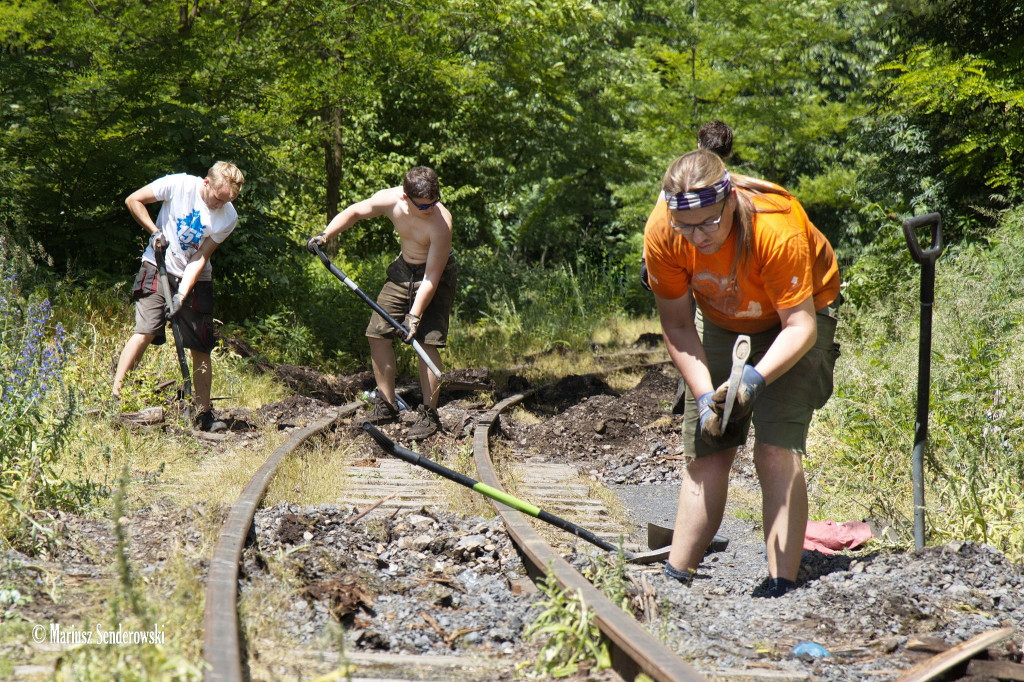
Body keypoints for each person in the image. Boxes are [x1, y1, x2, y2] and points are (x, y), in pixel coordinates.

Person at [644, 149, 840, 597]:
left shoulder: (777, 226)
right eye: (686, 226)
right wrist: (702, 396)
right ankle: (676, 579)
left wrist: (752, 381)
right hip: (722, 317)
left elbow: (801, 326)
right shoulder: (664, 231)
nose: (697, 236)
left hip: (799, 317)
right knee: (708, 445)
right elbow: (676, 324)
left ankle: (780, 585)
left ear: (730, 201)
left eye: (709, 222)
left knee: (775, 448)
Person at [306, 166, 456, 440]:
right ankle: (386, 404)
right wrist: (326, 235)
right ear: (405, 197)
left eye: (434, 203)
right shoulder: (390, 200)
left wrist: (413, 317)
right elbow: (354, 212)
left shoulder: (441, 223)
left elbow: (431, 280)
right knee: (377, 333)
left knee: (426, 341)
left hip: (435, 274)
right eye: (423, 206)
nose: (430, 209)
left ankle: (428, 414)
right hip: (402, 271)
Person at [113, 161, 245, 432]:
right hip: (156, 264)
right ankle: (116, 398)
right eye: (218, 198)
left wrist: (182, 292)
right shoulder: (180, 184)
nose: (221, 205)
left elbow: (201, 256)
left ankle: (204, 414)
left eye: (228, 200)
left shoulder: (229, 217)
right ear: (206, 183)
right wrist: (155, 232)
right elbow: (133, 200)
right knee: (145, 330)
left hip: (195, 275)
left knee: (201, 344)